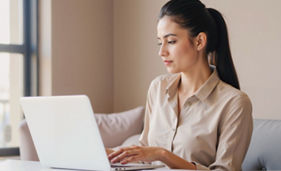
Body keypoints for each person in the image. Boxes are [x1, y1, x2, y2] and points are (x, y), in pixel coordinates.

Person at [108, 0, 253, 170]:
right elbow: (143, 156)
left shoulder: (235, 103)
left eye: (171, 41)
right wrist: (103, 153)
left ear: (199, 41)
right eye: (159, 42)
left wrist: (163, 155)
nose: (161, 52)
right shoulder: (158, 88)